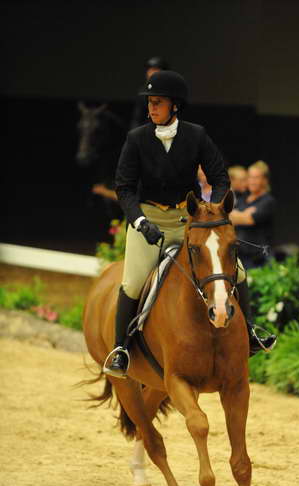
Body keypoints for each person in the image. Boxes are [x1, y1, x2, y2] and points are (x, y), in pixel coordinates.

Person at [104, 71, 276, 377]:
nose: (151, 108)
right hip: (150, 220)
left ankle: (249, 334)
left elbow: (220, 178)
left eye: (158, 103)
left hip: (190, 220)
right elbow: (124, 188)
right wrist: (140, 221)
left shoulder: (196, 135)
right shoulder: (137, 138)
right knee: (132, 282)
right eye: (150, 103)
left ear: (175, 106)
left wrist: (215, 211)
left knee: (238, 272)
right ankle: (121, 349)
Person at [229, 160, 276, 270]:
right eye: (250, 177)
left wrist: (239, 215)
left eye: (256, 178)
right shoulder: (242, 200)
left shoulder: (267, 201)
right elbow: (228, 217)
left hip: (259, 260)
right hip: (240, 257)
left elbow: (248, 220)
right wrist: (242, 214)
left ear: (265, 180)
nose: (252, 181)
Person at [129, 56, 170, 130]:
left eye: (154, 69)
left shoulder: (171, 91)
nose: (150, 73)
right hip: (147, 132)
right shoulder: (143, 91)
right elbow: (137, 118)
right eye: (149, 70)